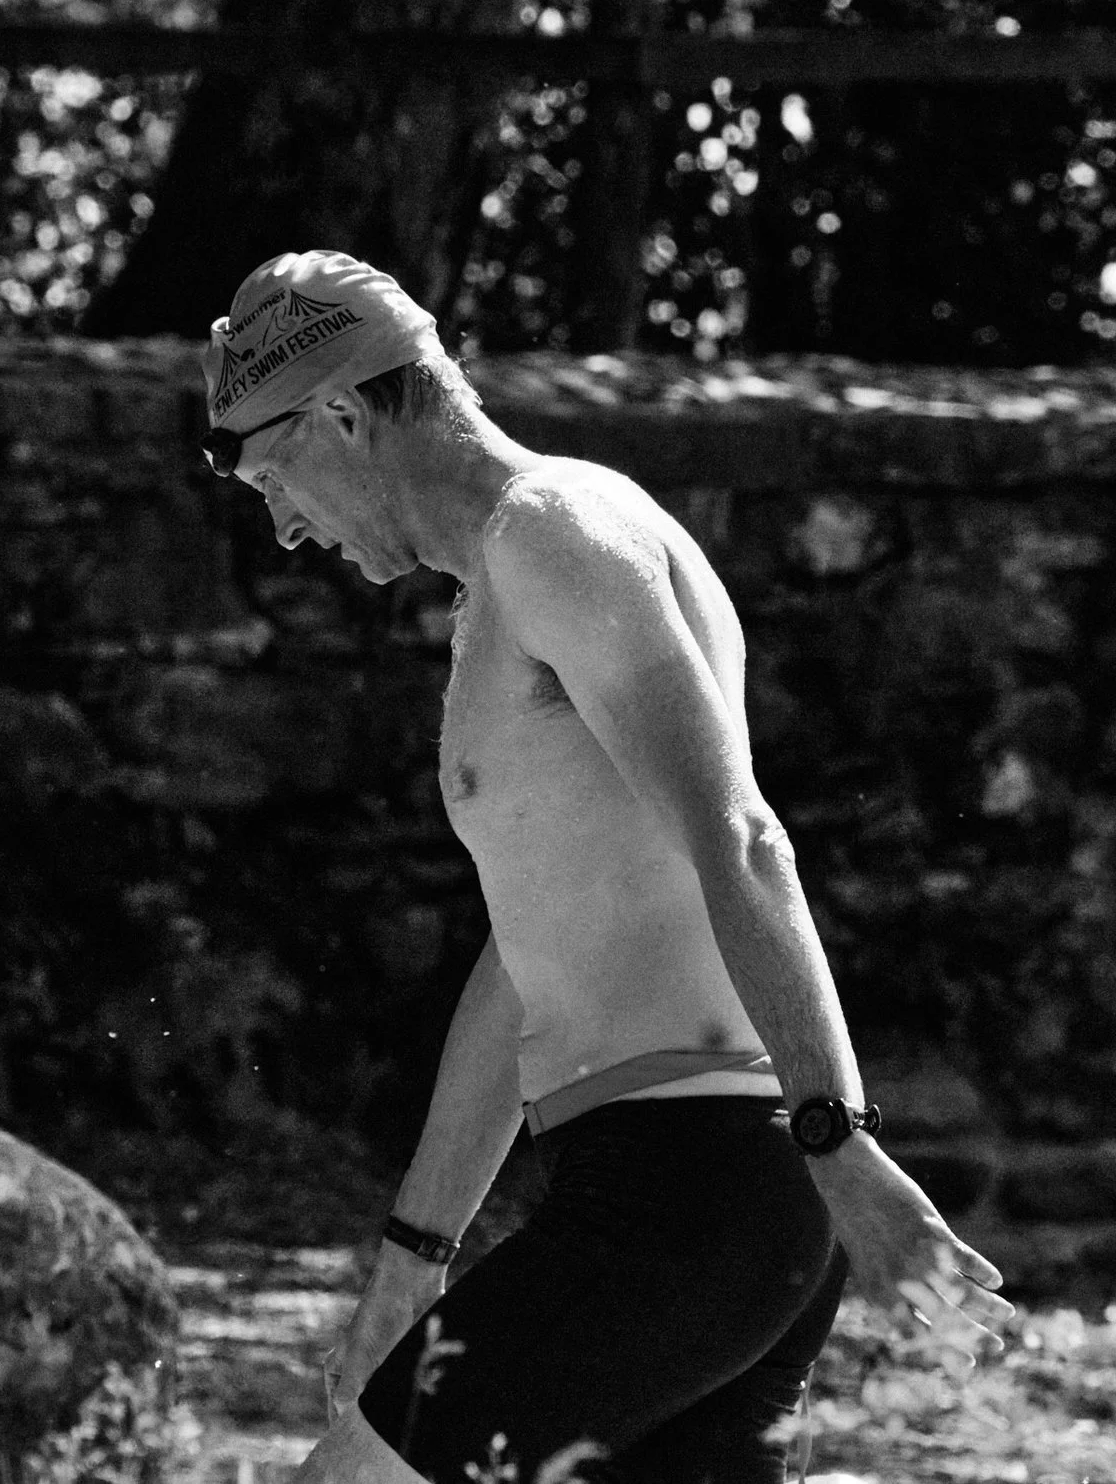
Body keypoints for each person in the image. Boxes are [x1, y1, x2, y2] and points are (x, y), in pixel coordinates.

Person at [198, 251, 1013, 1484]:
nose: (286, 528)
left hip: (698, 1190)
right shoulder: (504, 585)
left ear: (343, 416)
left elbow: (741, 833)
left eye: (275, 479)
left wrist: (838, 1142)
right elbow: (523, 957)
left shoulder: (554, 535)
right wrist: (407, 1264)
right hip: (692, 1189)